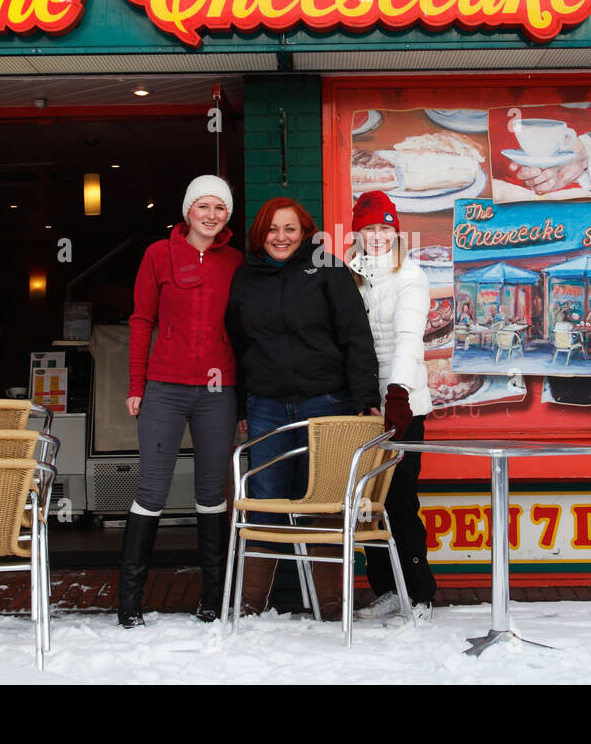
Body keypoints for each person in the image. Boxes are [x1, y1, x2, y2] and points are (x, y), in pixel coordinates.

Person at [225, 196, 379, 619]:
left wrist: (366, 399)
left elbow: (356, 337)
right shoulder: (245, 277)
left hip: (326, 403)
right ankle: (252, 603)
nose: (281, 237)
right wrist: (243, 402)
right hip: (267, 406)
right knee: (266, 498)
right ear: (261, 234)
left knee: (325, 499)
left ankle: (331, 603)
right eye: (272, 230)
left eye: (289, 229)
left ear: (305, 231)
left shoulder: (328, 269)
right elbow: (238, 348)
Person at [119, 175, 244, 628]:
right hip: (165, 389)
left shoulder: (235, 261)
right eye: (203, 207)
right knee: (151, 490)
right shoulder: (158, 254)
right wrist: (137, 384)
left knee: (212, 493)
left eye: (220, 208)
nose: (211, 216)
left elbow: (245, 333)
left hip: (218, 391)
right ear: (188, 210)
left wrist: (243, 401)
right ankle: (130, 601)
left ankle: (212, 598)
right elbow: (140, 320)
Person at [345, 191, 437, 621]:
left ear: (395, 232)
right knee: (368, 501)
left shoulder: (411, 276)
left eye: (384, 228)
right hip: (364, 403)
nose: (377, 236)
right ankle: (385, 588)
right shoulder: (352, 275)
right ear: (358, 233)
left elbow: (407, 339)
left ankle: (420, 593)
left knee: (400, 499)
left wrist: (396, 394)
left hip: (402, 404)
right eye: (369, 229)